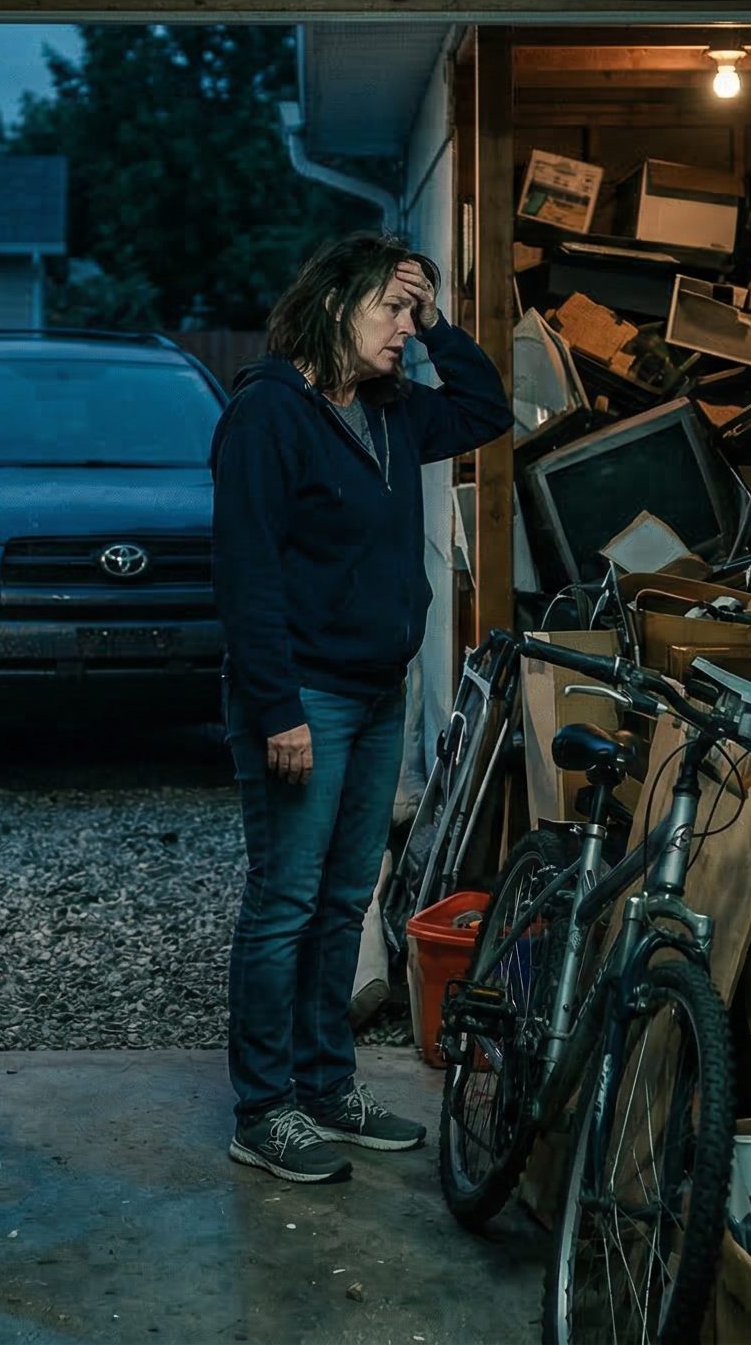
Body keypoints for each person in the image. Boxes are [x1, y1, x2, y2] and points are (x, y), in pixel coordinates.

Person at [210, 231, 508, 1184]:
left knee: (346, 901)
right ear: (335, 305)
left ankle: (326, 1087)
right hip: (306, 700)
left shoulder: (391, 410)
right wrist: (277, 711)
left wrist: (439, 323)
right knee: (285, 902)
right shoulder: (267, 416)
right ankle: (263, 1110)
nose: (401, 329)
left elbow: (486, 409)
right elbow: (246, 575)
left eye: (409, 312)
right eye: (389, 309)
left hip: (379, 694)